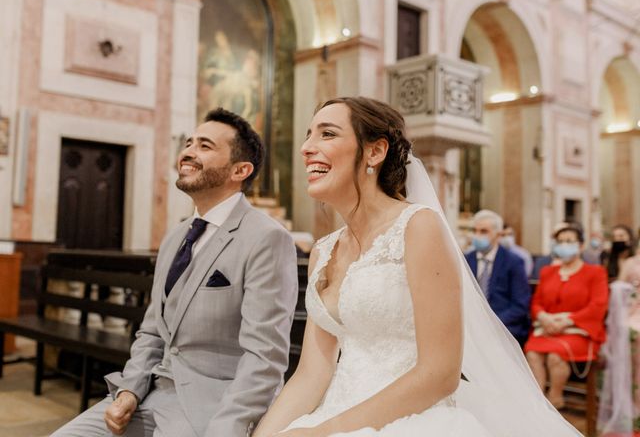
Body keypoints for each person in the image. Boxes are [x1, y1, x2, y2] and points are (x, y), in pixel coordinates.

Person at [254, 97, 580, 437]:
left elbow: (439, 373)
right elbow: (311, 372)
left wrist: (325, 432)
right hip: (335, 411)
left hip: (410, 418)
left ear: (375, 152)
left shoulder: (418, 227)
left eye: (327, 134)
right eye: (309, 135)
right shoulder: (323, 251)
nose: (307, 147)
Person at [52, 109, 298, 437]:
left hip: (211, 406)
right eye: (189, 143)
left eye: (205, 146)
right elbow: (153, 330)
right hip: (150, 394)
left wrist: (227, 428)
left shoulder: (266, 238)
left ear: (240, 169)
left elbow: (264, 357)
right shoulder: (176, 236)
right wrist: (129, 391)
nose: (188, 152)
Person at [524, 224, 609, 410]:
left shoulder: (595, 272)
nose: (564, 245)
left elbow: (598, 305)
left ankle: (555, 399)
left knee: (556, 355)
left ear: (580, 246)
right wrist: (544, 317)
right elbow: (536, 302)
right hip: (548, 327)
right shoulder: (548, 272)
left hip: (579, 330)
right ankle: (537, 403)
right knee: (532, 352)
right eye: (560, 241)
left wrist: (567, 321)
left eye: (569, 241)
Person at [464, 210, 531, 347]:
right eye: (475, 231)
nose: (477, 236)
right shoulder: (466, 260)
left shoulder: (513, 262)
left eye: (484, 232)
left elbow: (520, 305)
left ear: (498, 235)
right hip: (471, 325)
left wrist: (492, 323)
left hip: (503, 325)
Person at [598, 255, 640, 435]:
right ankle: (631, 407)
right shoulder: (631, 262)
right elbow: (619, 288)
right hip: (634, 309)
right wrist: (633, 290)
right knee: (629, 333)